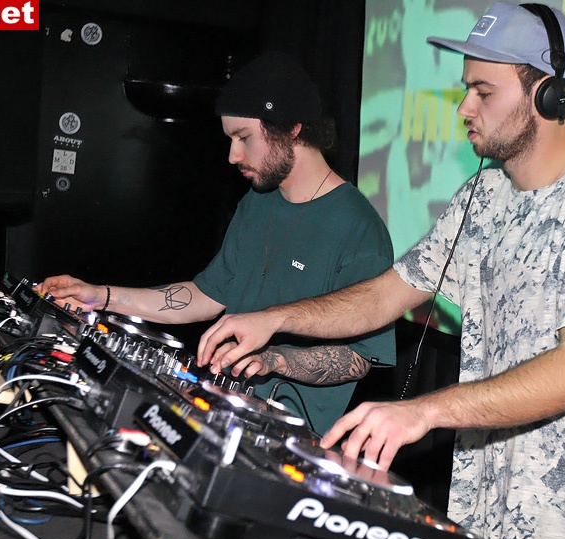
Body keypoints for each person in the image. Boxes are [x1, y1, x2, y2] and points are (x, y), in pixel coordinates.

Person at [197, 2, 565, 539]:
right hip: (480, 530)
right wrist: (273, 319)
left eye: (483, 91)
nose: (464, 107)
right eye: (467, 89)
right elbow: (387, 293)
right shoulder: (484, 195)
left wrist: (422, 411)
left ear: (548, 96)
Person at [36, 50, 395, 435]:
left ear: (292, 128)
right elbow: (205, 296)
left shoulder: (359, 228)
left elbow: (359, 359)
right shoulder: (257, 201)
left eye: (244, 138)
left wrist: (276, 360)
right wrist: (100, 297)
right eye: (230, 139)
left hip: (284, 437)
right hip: (221, 412)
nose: (233, 155)